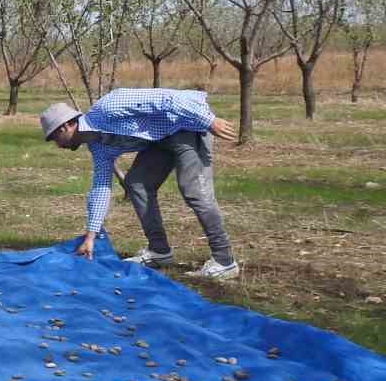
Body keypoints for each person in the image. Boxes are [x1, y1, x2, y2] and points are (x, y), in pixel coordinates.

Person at [38, 88, 241, 279]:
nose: (58, 146)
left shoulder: (109, 107)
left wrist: (209, 120)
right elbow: (101, 187)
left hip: (187, 125)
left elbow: (167, 99)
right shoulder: (98, 147)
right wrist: (91, 236)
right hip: (160, 139)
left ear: (64, 127)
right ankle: (159, 251)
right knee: (137, 184)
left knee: (194, 190)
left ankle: (225, 261)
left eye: (55, 139)